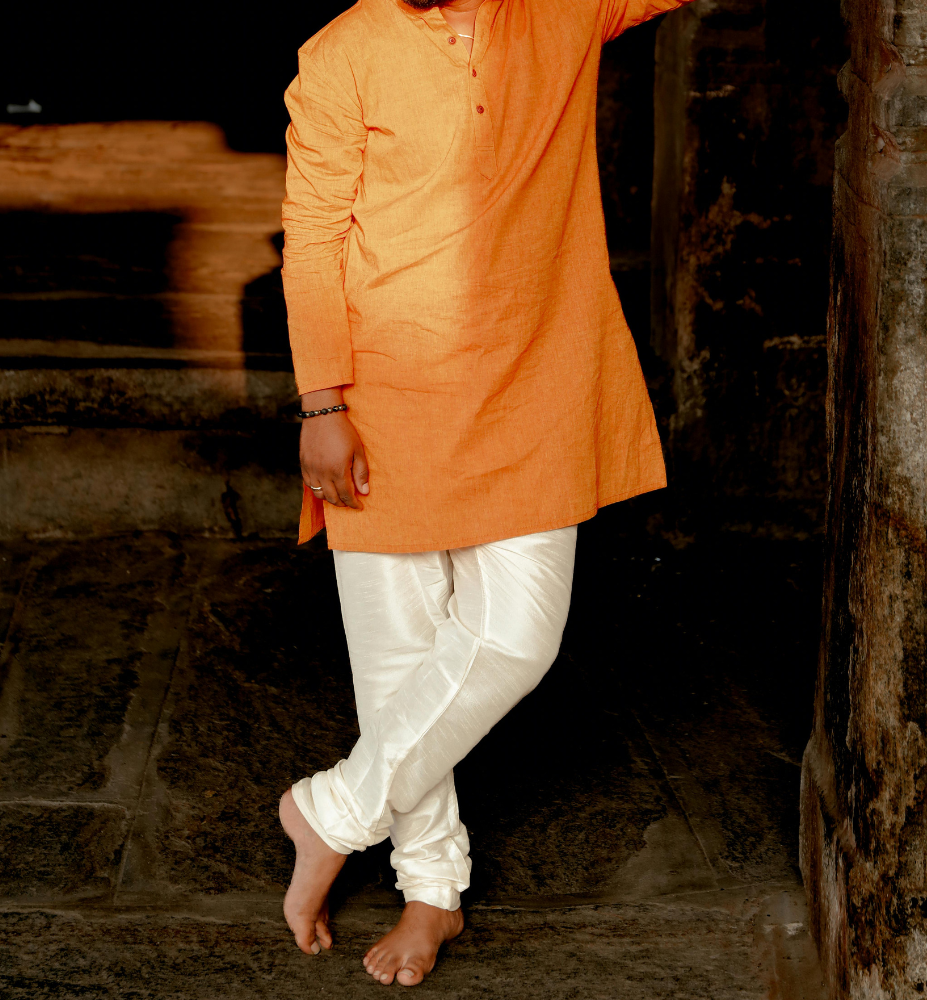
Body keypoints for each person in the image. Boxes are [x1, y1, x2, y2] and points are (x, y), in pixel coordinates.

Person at [278, 0, 689, 985]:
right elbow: (313, 235)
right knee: (398, 665)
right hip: (384, 396)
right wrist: (321, 403)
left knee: (514, 637)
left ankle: (329, 811)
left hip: (532, 381)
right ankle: (432, 891)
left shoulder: (563, 11)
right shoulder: (342, 51)